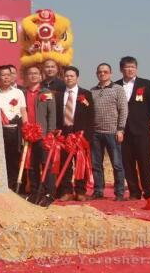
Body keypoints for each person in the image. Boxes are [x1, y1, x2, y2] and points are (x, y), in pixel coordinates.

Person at [115, 56, 150, 200]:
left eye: (133, 67)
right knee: (128, 163)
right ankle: (134, 192)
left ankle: (148, 191)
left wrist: (141, 120)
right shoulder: (115, 86)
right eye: (127, 67)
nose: (130, 69)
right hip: (123, 131)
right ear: (121, 69)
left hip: (141, 130)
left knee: (145, 162)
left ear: (136, 68)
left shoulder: (146, 84)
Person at [90, 63, 128, 201]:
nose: (102, 74)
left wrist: (120, 129)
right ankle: (98, 191)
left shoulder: (118, 89)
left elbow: (124, 110)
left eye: (105, 72)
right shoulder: (92, 91)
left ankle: (119, 192)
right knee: (96, 164)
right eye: (100, 72)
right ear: (96, 74)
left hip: (113, 132)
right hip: (95, 133)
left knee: (117, 164)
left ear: (110, 73)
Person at [56, 66, 94, 202]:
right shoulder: (59, 94)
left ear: (77, 77)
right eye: (66, 76)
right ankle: (66, 191)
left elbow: (91, 116)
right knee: (65, 163)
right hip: (64, 132)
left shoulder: (86, 94)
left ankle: (80, 191)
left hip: (80, 133)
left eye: (71, 76)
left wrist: (87, 136)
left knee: (80, 163)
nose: (69, 78)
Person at [0, 65, 27, 191]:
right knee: (0, 159)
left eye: (8, 75)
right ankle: (2, 186)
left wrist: (26, 129)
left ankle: (14, 187)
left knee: (14, 160)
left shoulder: (18, 93)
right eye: (3, 75)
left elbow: (23, 111)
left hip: (15, 130)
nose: (6, 78)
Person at [22, 65, 56, 200]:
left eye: (36, 73)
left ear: (41, 76)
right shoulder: (22, 93)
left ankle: (49, 192)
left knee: (46, 164)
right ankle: (34, 191)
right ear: (26, 77)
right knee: (31, 165)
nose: (33, 75)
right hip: (27, 135)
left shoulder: (46, 93)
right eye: (30, 73)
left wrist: (50, 133)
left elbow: (52, 114)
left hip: (43, 135)